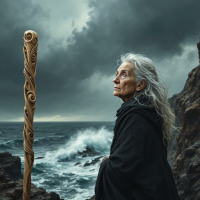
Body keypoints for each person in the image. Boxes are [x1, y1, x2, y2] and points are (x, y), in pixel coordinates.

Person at [94, 53, 180, 200]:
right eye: (116, 74)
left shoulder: (136, 116)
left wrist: (105, 163)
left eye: (124, 75)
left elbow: (120, 170)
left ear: (140, 84)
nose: (115, 80)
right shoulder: (146, 111)